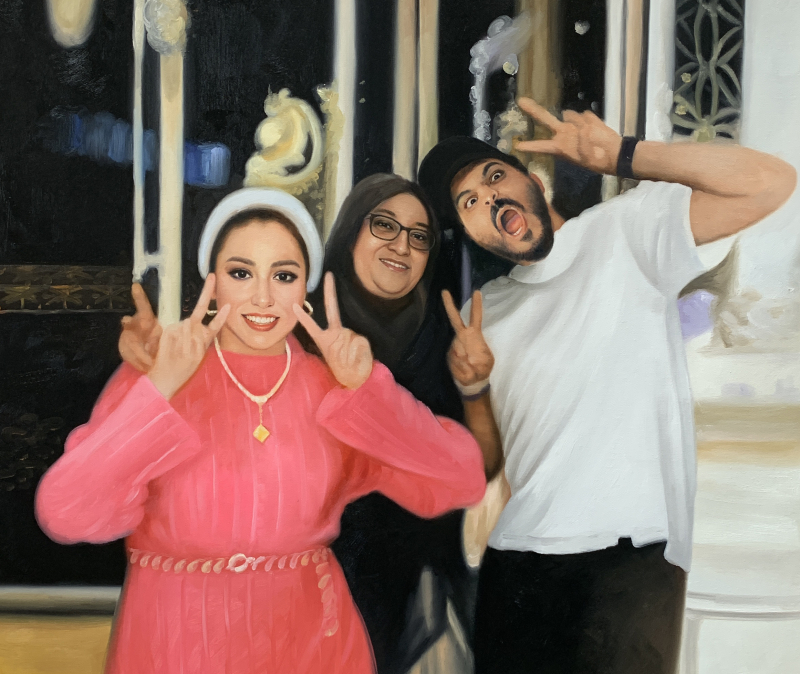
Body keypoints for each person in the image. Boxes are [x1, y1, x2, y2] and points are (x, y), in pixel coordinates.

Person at [35, 187, 486, 674]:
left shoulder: (331, 384)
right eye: (241, 273)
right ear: (212, 280)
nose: (264, 297)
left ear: (306, 285)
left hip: (314, 643)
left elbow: (461, 479)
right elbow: (66, 513)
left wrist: (370, 391)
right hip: (175, 642)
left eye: (285, 276)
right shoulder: (159, 373)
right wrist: (162, 384)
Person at [417, 97, 796, 674]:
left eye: (495, 177)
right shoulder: (483, 312)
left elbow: (770, 183)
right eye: (468, 201)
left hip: (630, 563)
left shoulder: (626, 233)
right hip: (516, 563)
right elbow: (491, 463)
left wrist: (624, 154)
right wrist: (473, 389)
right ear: (464, 230)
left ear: (531, 179)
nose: (489, 198)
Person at [313, 174, 498, 674]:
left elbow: (477, 470)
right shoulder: (303, 330)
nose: (402, 245)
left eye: (420, 236)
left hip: (422, 589)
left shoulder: (444, 339)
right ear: (352, 229)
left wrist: (475, 389)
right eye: (384, 225)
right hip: (316, 582)